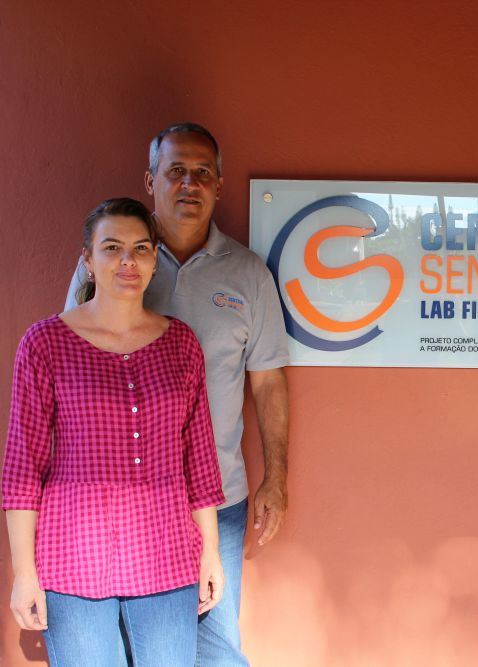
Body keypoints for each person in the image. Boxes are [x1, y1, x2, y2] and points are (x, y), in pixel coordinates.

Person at [65, 123, 290, 665]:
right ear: (150, 179)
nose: (189, 184)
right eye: (175, 171)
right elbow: (70, 360)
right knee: (126, 648)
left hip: (219, 495)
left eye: (202, 173)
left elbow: (268, 380)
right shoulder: (109, 263)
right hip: (121, 500)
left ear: (218, 184)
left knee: (215, 648)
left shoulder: (249, 274)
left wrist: (276, 477)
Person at [4, 198, 225, 665]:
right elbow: (23, 468)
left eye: (141, 248)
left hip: (166, 557)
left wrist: (210, 553)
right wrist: (24, 573)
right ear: (87, 260)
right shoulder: (45, 344)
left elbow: (199, 459)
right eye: (112, 247)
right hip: (73, 559)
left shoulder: (181, 344)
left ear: (153, 259)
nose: (128, 261)